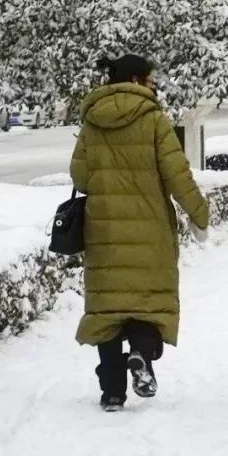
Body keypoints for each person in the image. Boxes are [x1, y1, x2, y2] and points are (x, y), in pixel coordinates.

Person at [70, 54, 210, 412]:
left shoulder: (92, 122)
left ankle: (113, 392)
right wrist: (199, 214)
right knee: (148, 304)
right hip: (150, 230)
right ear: (135, 79)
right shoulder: (153, 120)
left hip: (103, 228)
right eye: (150, 79)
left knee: (107, 311)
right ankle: (142, 356)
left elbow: (80, 177)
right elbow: (177, 174)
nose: (154, 85)